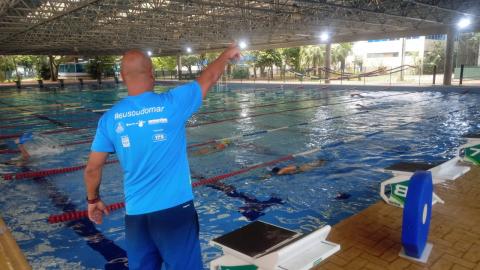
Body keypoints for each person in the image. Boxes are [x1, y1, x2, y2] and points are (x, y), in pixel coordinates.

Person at [83, 45, 241, 270]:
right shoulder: (172, 103)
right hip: (175, 212)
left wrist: (92, 200)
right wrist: (226, 55)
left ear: (121, 77)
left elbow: (92, 169)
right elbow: (210, 77)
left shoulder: (109, 119)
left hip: (136, 217)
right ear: (152, 74)